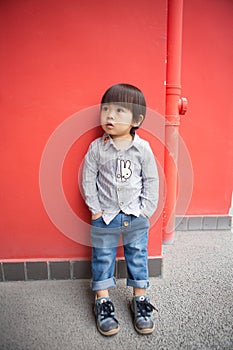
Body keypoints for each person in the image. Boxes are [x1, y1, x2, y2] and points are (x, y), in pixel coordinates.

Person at [82, 83, 159, 336]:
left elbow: (151, 180)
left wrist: (146, 210)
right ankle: (102, 299)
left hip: (135, 214)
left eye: (118, 110)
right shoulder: (97, 148)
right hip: (105, 215)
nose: (110, 116)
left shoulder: (143, 149)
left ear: (137, 119)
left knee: (137, 254)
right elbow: (87, 179)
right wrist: (95, 209)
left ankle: (140, 298)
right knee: (102, 255)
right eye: (105, 109)